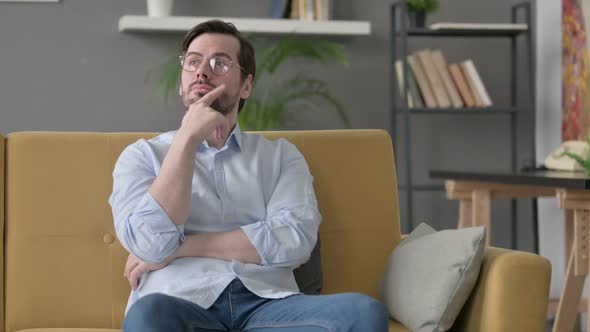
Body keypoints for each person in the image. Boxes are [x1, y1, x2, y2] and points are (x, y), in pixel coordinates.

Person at [109, 19, 388, 332]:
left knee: (364, 313)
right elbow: (148, 245)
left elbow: (294, 239)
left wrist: (181, 248)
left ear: (246, 85)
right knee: (148, 315)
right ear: (181, 81)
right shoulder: (141, 157)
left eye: (220, 62)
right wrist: (186, 139)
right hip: (181, 306)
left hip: (269, 306)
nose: (202, 71)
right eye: (193, 61)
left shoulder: (281, 156)